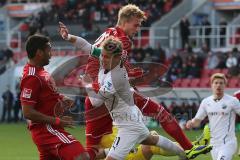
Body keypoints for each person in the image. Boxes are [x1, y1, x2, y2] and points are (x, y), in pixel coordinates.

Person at [59, 4, 212, 159]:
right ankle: (187, 148)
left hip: (98, 92)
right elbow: (115, 65)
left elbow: (92, 50)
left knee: (96, 147)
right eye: (136, 24)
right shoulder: (123, 40)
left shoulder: (109, 33)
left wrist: (69, 37)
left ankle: (186, 150)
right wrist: (131, 74)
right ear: (125, 21)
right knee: (158, 118)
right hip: (102, 92)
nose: (138, 29)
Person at [81, 36, 187, 160]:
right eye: (102, 55)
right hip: (132, 118)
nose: (102, 59)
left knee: (115, 156)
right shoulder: (112, 65)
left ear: (116, 57)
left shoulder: (115, 76)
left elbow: (96, 102)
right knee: (152, 140)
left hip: (128, 126)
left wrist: (87, 84)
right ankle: (183, 154)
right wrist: (69, 37)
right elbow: (88, 47)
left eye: (106, 56)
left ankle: (183, 153)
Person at [20, 35, 89, 160]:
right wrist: (57, 121)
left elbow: (47, 92)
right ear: (39, 53)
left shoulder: (41, 71)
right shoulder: (32, 77)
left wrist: (61, 97)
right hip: (47, 130)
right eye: (48, 50)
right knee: (82, 157)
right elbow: (27, 112)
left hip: (48, 129)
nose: (51, 54)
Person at [186, 73, 240, 160]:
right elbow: (197, 121)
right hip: (213, 144)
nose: (218, 85)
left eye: (221, 83)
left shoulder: (233, 101)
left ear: (225, 85)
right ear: (212, 85)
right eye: (216, 83)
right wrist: (191, 123)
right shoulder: (206, 102)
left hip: (228, 143)